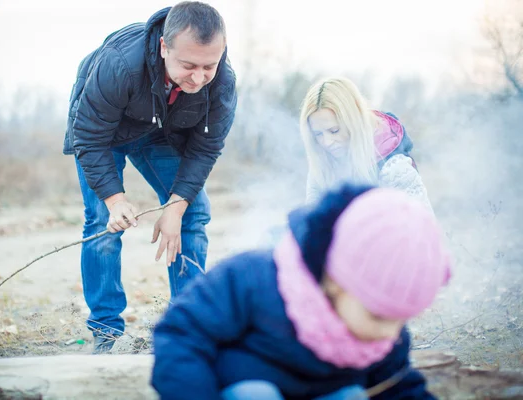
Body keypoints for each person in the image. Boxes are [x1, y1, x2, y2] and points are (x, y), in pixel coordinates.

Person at [152, 184, 451, 400]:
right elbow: (183, 334)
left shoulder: (383, 329)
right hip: (247, 387)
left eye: (402, 319)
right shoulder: (254, 279)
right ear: (337, 282)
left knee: (349, 395)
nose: (390, 333)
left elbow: (396, 387)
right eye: (378, 316)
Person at [63, 1, 237, 353]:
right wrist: (115, 199)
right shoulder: (120, 64)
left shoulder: (223, 83)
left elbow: (205, 149)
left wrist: (174, 207)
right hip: (104, 135)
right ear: (163, 47)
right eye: (188, 66)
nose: (199, 77)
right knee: (101, 219)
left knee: (191, 213)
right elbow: (89, 137)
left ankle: (187, 325)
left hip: (159, 131)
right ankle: (105, 331)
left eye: (209, 66)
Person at [300, 77, 431, 208]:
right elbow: (312, 222)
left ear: (354, 122)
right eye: (318, 134)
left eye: (334, 130)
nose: (327, 142)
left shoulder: (394, 169)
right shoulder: (321, 166)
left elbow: (421, 225)